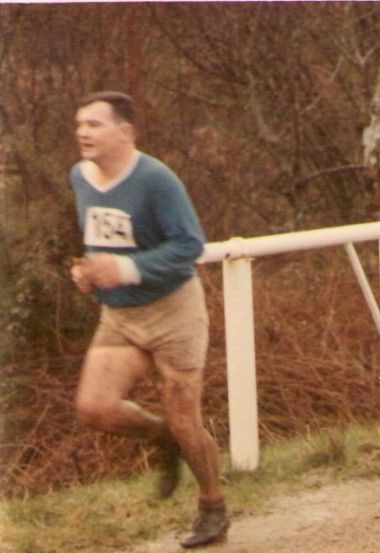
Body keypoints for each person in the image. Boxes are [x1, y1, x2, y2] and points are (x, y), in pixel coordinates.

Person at [69, 91, 228, 549]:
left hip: (173, 311)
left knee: (185, 418)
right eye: (79, 124)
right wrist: (88, 272)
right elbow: (102, 237)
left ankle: (213, 507)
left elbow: (190, 246)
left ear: (125, 132)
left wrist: (124, 269)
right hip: (120, 314)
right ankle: (162, 439)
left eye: (94, 124)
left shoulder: (157, 180)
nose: (83, 132)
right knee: (94, 407)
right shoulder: (80, 176)